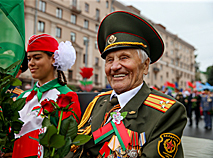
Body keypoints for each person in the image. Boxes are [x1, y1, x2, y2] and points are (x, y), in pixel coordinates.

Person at [73, 11, 187, 158]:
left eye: (124, 57)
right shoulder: (98, 102)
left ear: (145, 66)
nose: (114, 67)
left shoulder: (168, 112)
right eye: (109, 60)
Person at [10, 34, 81, 158]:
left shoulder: (66, 96)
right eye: (29, 58)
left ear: (53, 59)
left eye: (37, 58)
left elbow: (68, 144)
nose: (31, 63)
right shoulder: (23, 97)